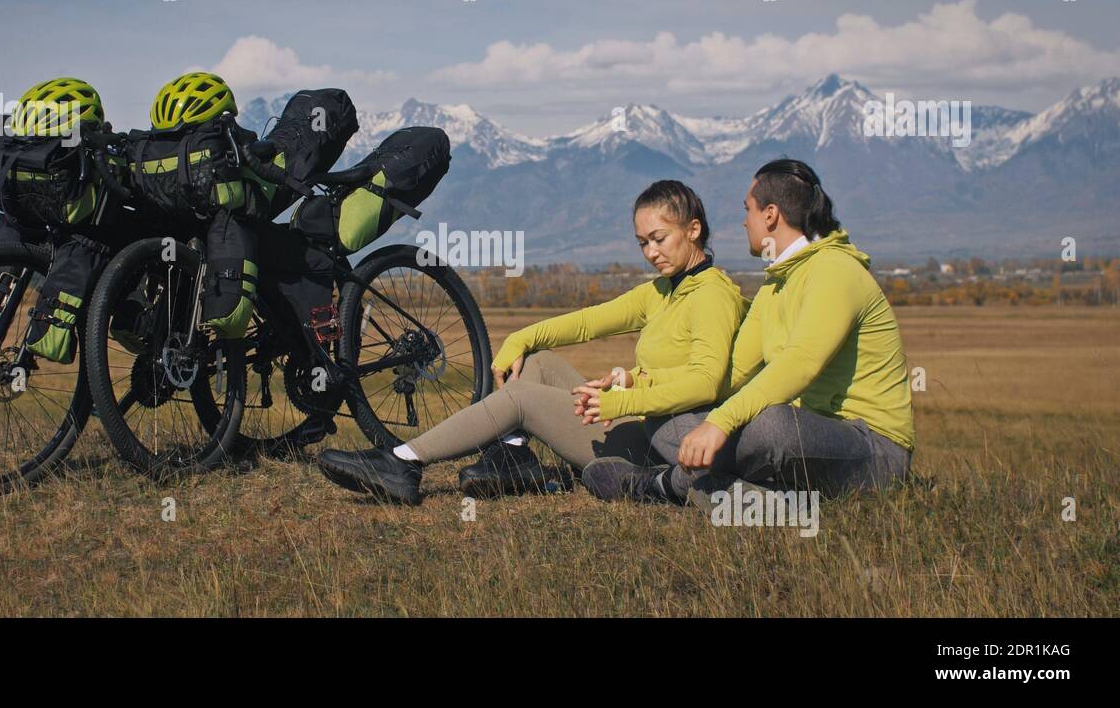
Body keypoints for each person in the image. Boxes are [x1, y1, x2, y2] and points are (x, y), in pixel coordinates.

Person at [314, 180, 747, 505]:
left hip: (655, 445)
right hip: (638, 419)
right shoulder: (665, 290)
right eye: (641, 243)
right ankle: (514, 461)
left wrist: (621, 402)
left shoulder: (712, 294)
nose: (650, 252)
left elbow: (707, 383)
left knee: (521, 398)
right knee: (536, 363)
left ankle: (403, 463)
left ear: (693, 230)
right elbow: (588, 322)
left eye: (659, 239)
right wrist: (523, 337)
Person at [582, 159, 916, 505]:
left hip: (873, 451)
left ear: (770, 215)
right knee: (671, 421)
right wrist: (640, 383)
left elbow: (800, 363)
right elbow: (733, 373)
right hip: (810, 441)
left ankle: (664, 486)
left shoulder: (835, 271)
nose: (744, 222)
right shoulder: (774, 286)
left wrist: (721, 424)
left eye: (748, 210)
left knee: (774, 425)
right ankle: (769, 498)